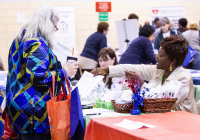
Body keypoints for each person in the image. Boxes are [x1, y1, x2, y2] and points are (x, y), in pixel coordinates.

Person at [5, 5, 78, 140]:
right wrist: (64, 72)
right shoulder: (37, 43)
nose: (54, 31)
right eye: (55, 27)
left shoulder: (20, 39)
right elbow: (37, 76)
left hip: (18, 106)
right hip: (33, 110)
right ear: (47, 23)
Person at [91, 35, 198, 114]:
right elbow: (133, 68)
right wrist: (107, 70)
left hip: (181, 124)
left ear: (172, 61)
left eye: (160, 56)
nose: (156, 57)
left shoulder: (183, 77)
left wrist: (141, 83)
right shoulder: (159, 70)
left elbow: (162, 103)